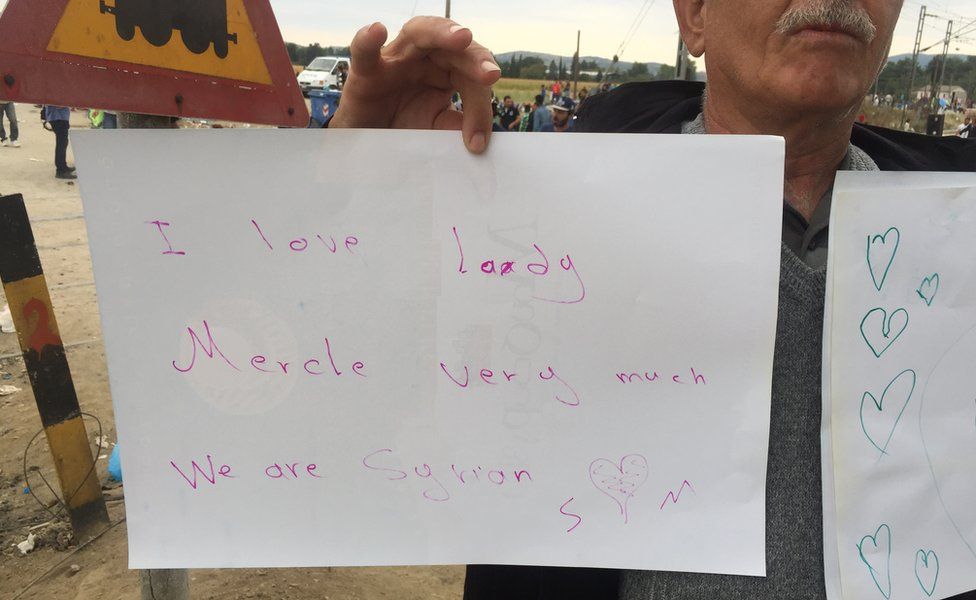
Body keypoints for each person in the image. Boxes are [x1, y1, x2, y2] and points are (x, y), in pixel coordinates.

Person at [326, 8, 975, 599]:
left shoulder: (954, 237)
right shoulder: (526, 227)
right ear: (693, 17)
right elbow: (335, 392)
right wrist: (364, 203)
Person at [42, 105, 75, 180]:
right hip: (58, 118)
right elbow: (57, 103)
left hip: (61, 117)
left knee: (63, 143)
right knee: (61, 145)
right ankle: (60, 171)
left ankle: (63, 166)